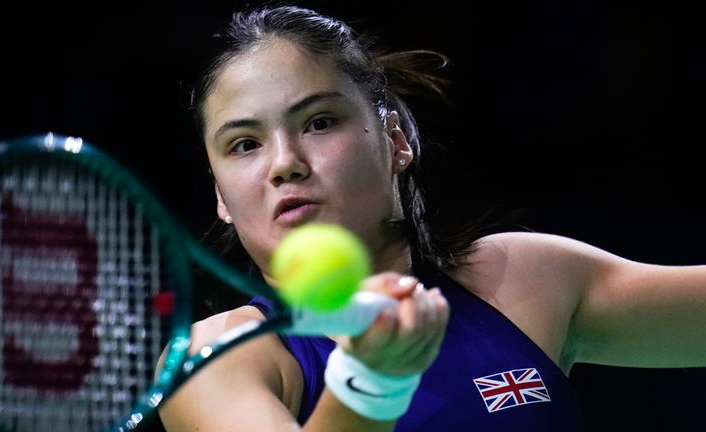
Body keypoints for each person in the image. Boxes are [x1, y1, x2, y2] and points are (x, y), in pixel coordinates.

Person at [157, 4, 706, 431]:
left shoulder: (519, 281)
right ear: (222, 197)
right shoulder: (216, 356)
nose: (284, 164)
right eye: (245, 144)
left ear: (395, 139)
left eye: (320, 122)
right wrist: (372, 380)